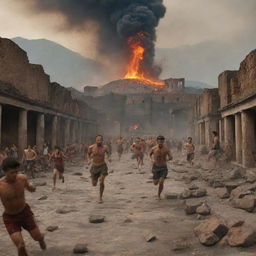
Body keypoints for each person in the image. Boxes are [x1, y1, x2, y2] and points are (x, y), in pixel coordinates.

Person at [0, 158, 46, 256]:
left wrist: (32, 187)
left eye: (16, 171)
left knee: (37, 236)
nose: (15, 175)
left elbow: (30, 187)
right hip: (10, 218)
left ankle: (41, 239)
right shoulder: (1, 185)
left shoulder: (22, 178)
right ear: (4, 171)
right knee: (20, 245)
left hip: (25, 213)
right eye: (12, 172)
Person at [87, 135, 111, 203]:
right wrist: (88, 160)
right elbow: (88, 154)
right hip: (94, 166)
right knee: (94, 184)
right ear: (95, 140)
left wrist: (109, 158)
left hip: (102, 166)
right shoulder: (91, 147)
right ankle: (94, 177)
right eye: (98, 140)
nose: (99, 141)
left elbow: (108, 153)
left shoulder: (105, 147)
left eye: (100, 140)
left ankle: (100, 197)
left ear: (102, 140)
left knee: (101, 181)